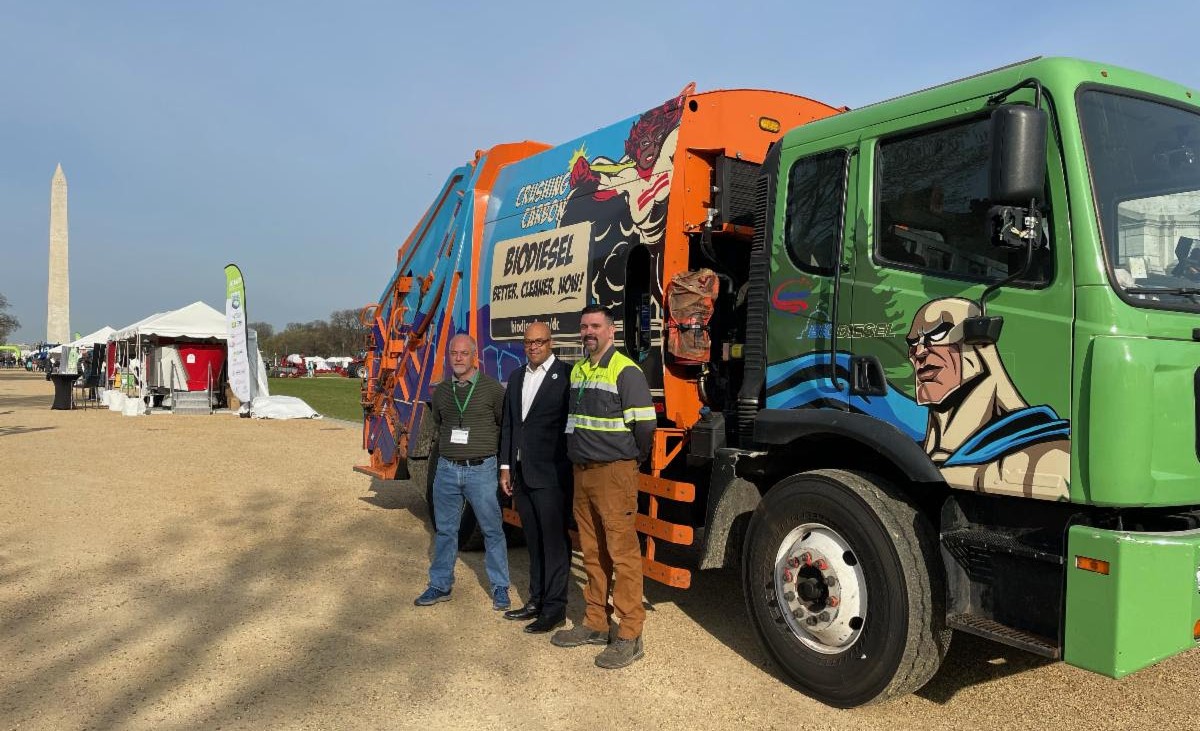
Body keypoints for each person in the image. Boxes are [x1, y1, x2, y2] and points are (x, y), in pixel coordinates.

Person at [550, 304, 655, 669]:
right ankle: (596, 622)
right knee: (592, 553)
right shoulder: (580, 369)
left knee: (623, 555)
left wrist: (629, 462)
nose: (588, 331)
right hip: (583, 473)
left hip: (614, 474)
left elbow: (644, 428)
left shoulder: (626, 370)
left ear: (611, 330)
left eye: (595, 325)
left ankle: (630, 632)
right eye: (583, 326)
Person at [414, 333, 511, 611]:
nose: (458, 358)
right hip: (446, 469)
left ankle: (500, 587)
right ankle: (440, 584)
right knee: (445, 531)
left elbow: (503, 425)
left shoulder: (493, 390)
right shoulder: (443, 391)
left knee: (492, 530)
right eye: (453, 353)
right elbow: (440, 422)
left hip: (481, 470)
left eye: (463, 353)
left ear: (474, 356)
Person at [498, 322, 573, 633]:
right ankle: (536, 600)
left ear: (550, 342)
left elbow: (572, 426)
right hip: (521, 475)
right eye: (528, 342)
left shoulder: (567, 376)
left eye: (539, 342)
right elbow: (510, 427)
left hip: (552, 475)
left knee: (555, 543)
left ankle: (555, 609)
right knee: (534, 540)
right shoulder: (516, 377)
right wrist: (505, 467)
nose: (533, 347)